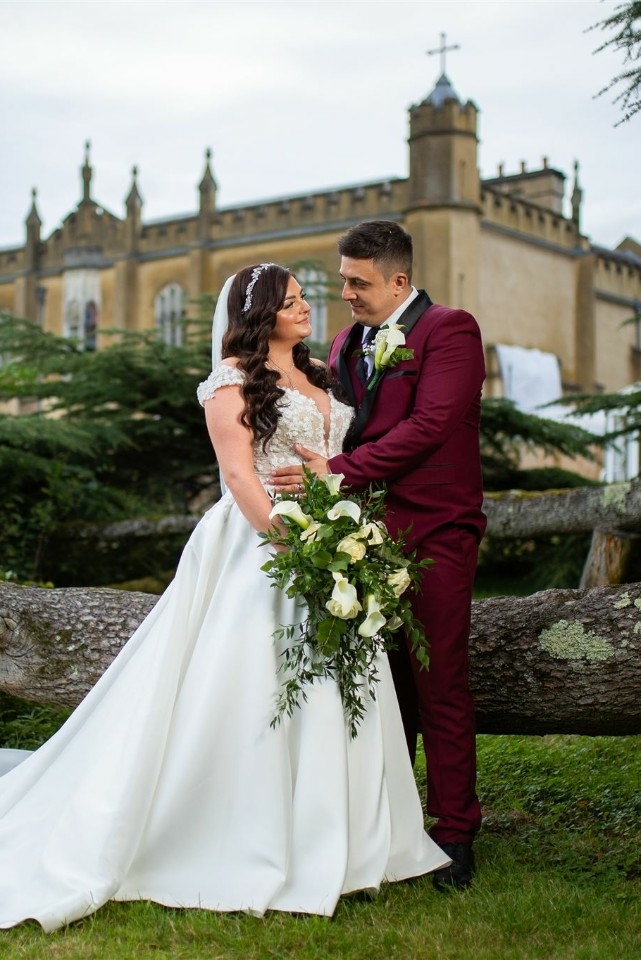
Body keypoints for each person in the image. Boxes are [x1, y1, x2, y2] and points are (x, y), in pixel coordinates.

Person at [0, 262, 448, 933]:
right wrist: (299, 546)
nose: (306, 309)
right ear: (261, 314)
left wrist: (346, 538)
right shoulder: (229, 385)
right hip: (262, 546)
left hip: (337, 538)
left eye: (303, 299)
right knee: (254, 686)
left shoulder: (321, 376)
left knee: (340, 685)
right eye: (292, 302)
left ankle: (351, 841)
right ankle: (246, 835)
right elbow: (240, 477)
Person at [270, 223, 487, 890]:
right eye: (342, 280)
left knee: (439, 679)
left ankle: (455, 834)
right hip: (365, 532)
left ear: (399, 281)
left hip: (439, 529)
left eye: (358, 283)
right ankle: (388, 826)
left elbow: (430, 427)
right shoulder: (345, 341)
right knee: (380, 683)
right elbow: (339, 418)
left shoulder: (451, 331)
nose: (346, 293)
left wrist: (338, 472)